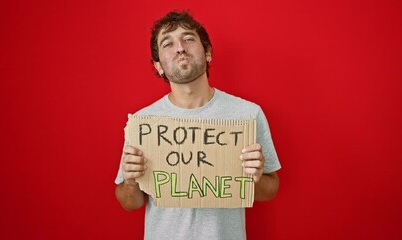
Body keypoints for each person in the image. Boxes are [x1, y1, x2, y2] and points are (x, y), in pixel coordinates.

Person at [115, 10, 281, 240]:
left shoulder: (247, 114)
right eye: (168, 43)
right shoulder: (143, 123)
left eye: (188, 39)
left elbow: (270, 190)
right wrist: (131, 181)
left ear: (208, 53)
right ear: (159, 66)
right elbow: (129, 203)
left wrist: (255, 177)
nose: (180, 47)